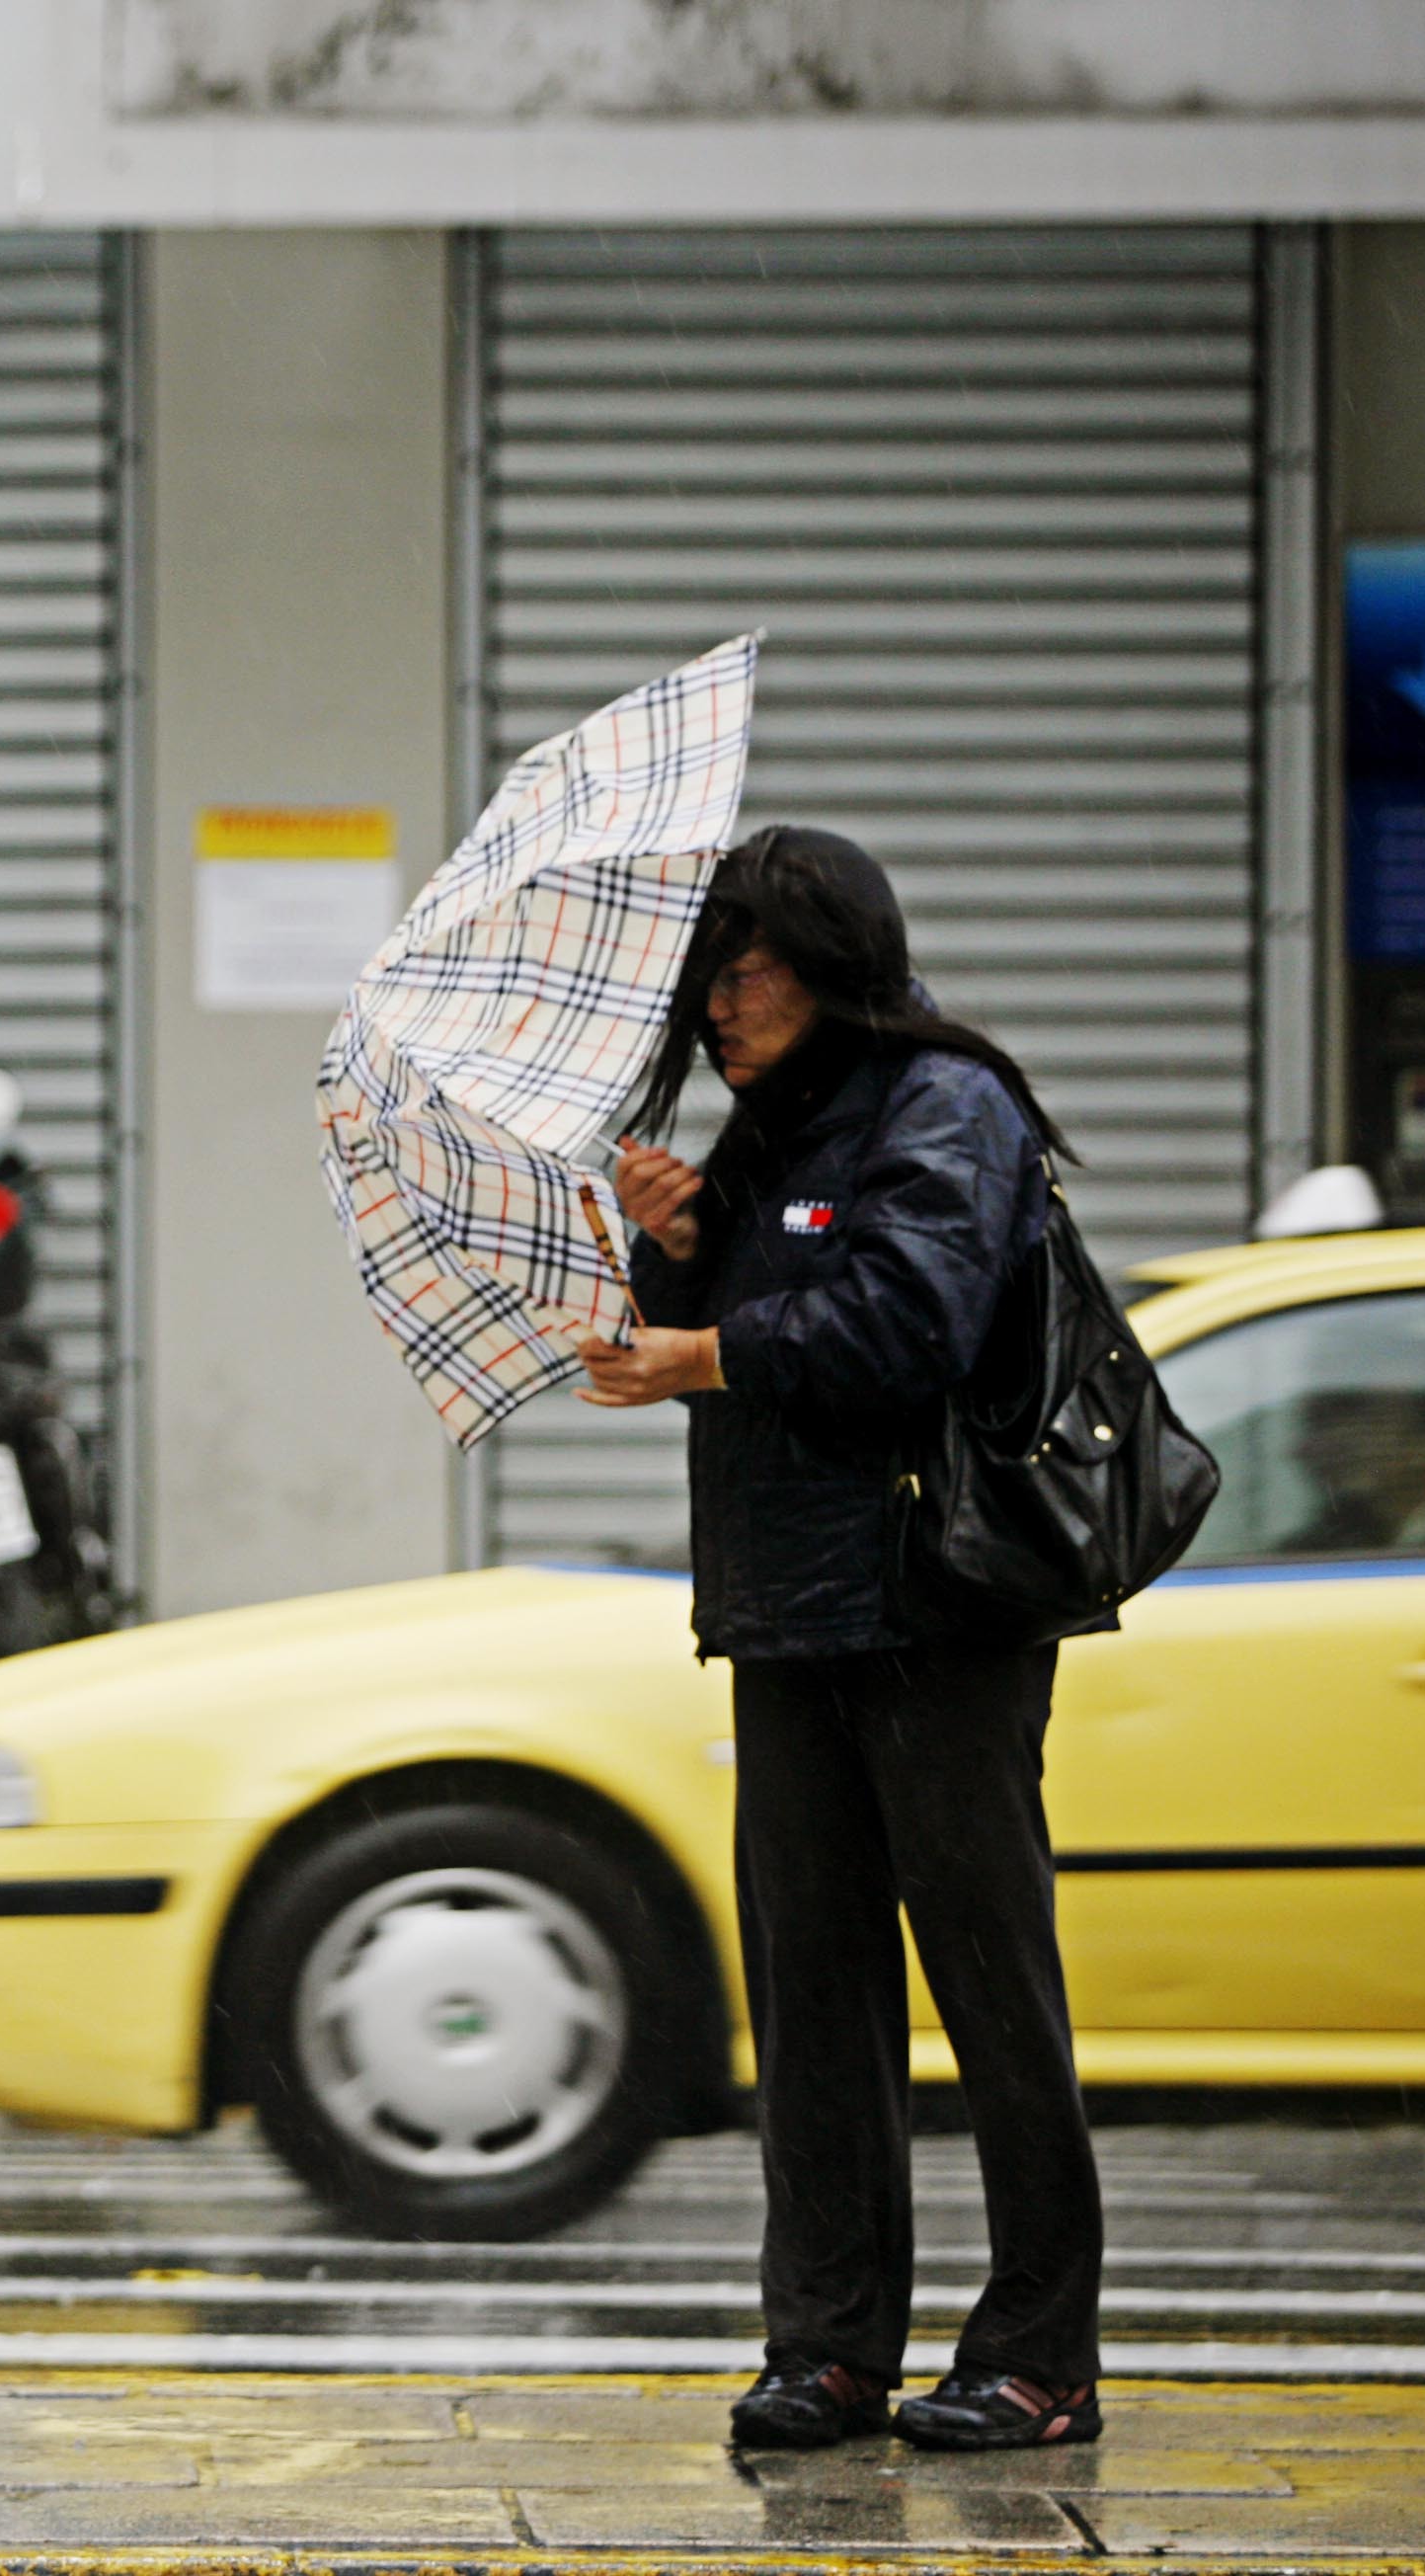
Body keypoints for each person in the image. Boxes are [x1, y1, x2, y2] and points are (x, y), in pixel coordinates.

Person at [578, 826, 1106, 2457]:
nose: (711, 1013)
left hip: (938, 1608)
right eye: (705, 984)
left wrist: (706, 1342)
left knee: (989, 1982)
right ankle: (829, 2345)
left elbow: (905, 1324)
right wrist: (685, 1245)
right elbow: (779, 1304)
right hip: (788, 1611)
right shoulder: (769, 1129)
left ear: (823, 964)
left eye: (731, 978)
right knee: (812, 1992)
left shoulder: (949, 1104)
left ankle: (1042, 2351)